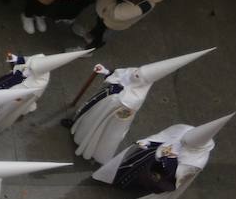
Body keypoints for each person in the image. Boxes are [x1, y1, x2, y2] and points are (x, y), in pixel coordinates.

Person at [64, 48, 213, 163]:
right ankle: (75, 123)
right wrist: (106, 72)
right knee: (87, 110)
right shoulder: (132, 73)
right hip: (101, 100)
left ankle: (86, 140)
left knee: (94, 123)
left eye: (138, 76)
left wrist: (116, 99)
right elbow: (119, 76)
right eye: (137, 72)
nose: (134, 74)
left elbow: (121, 118)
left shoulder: (134, 100)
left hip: (107, 113)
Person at [93, 113, 233, 199]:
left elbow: (178, 176)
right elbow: (162, 136)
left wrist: (169, 159)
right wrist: (146, 142)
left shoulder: (197, 160)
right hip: (149, 155)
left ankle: (128, 186)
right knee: (129, 167)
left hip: (159, 172)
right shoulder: (185, 129)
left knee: (140, 180)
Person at [0, 49, 93, 130]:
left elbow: (24, 94)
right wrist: (17, 59)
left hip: (14, 96)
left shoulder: (39, 83)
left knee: (5, 107)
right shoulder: (39, 59)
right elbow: (28, 60)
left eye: (31, 69)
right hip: (12, 80)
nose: (29, 67)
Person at [73, 0, 166, 51]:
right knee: (98, 27)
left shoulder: (145, 4)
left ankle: (87, 51)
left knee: (100, 38)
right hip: (105, 15)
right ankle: (89, 36)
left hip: (113, 23)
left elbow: (117, 14)